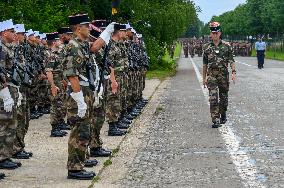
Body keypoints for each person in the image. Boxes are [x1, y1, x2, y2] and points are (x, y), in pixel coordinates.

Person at [64, 14, 97, 180]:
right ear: (78, 28)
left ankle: (80, 163)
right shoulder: (73, 46)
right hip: (79, 94)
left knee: (85, 130)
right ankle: (74, 169)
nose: (89, 28)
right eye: (86, 25)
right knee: (79, 132)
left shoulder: (82, 45)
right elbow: (72, 76)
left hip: (85, 93)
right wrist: (80, 101)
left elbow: (96, 47)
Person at [202, 22, 236, 128]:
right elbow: (205, 64)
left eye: (216, 33)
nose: (215, 35)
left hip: (223, 75)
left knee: (224, 97)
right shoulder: (206, 47)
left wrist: (234, 72)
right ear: (210, 34)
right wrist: (204, 78)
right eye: (213, 33)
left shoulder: (227, 46)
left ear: (220, 33)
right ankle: (215, 119)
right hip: (212, 74)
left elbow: (232, 60)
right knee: (213, 97)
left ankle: (223, 113)